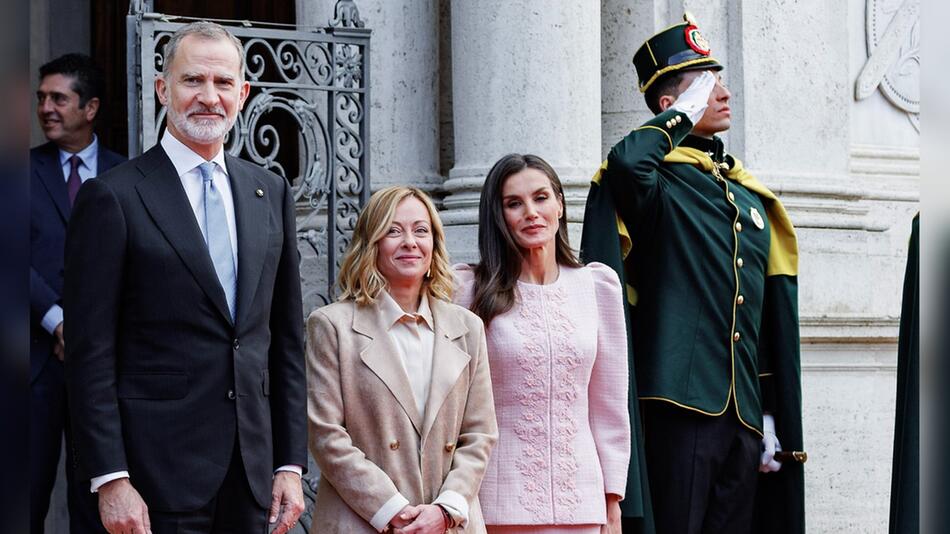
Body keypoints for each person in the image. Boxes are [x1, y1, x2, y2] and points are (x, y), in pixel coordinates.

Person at [63, 21, 307, 534]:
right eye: (193, 80)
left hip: (250, 474)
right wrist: (111, 478)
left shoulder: (270, 192)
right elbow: (90, 352)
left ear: (243, 94)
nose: (208, 97)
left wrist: (289, 463)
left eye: (222, 84)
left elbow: (284, 341)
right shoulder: (113, 197)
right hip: (152, 479)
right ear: (162, 89)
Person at [579, 13, 805, 534]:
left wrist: (767, 413)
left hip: (742, 417)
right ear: (671, 105)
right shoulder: (659, 184)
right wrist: (681, 115)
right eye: (707, 85)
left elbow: (759, 313)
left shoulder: (745, 195)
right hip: (680, 406)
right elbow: (627, 162)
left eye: (720, 81)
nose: (724, 93)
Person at [454, 154, 630, 534]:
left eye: (541, 197)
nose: (531, 212)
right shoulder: (469, 291)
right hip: (495, 507)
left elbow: (609, 406)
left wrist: (612, 500)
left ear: (560, 204)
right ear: (498, 216)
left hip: (584, 506)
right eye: (514, 203)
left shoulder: (597, 287)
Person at [307, 186, 497, 534]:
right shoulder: (332, 326)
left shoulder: (467, 327)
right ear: (371, 244)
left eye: (420, 230)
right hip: (364, 521)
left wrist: (445, 509)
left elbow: (480, 432)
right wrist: (393, 511)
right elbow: (326, 435)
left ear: (434, 244)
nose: (410, 241)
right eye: (393, 231)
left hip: (450, 523)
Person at [30, 52, 124, 534]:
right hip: (34, 363)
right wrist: (59, 320)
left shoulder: (125, 174)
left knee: (99, 491)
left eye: (58, 98)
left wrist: (90, 329)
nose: (46, 107)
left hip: (105, 365)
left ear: (89, 108)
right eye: (42, 98)